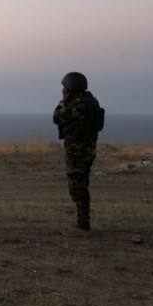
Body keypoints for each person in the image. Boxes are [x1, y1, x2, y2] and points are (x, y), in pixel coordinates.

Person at [52, 71, 104, 231]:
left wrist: (63, 101)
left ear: (72, 89)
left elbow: (57, 117)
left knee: (76, 188)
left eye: (65, 88)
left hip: (78, 152)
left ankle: (83, 223)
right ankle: (83, 221)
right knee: (82, 185)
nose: (63, 91)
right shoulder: (91, 101)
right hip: (87, 150)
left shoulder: (79, 104)